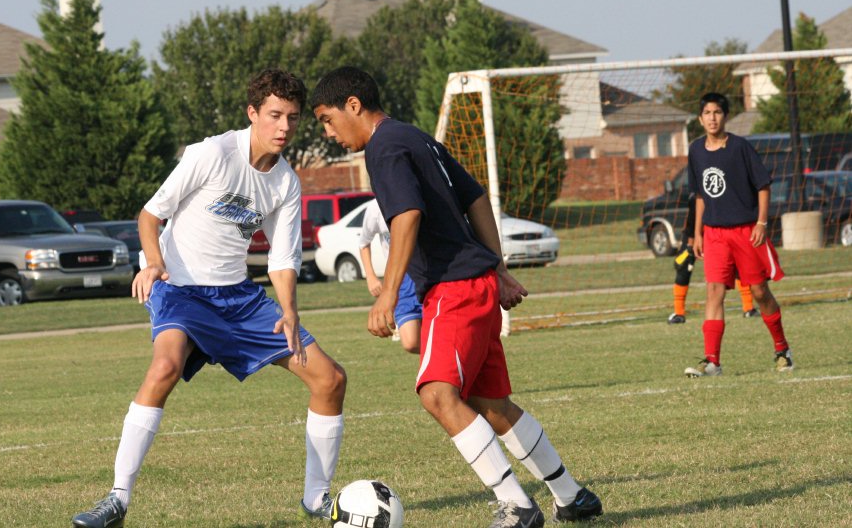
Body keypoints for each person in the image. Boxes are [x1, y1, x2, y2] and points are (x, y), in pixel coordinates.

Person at [311, 67, 602, 527]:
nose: (328, 132)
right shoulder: (416, 137)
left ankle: (519, 507)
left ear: (353, 105)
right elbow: (476, 197)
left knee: (436, 393)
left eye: (327, 119)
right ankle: (572, 495)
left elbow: (407, 216)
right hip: (477, 282)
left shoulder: (384, 147)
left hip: (455, 289)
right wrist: (498, 267)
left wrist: (387, 294)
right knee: (492, 404)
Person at [72, 69, 347, 528]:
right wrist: (154, 264)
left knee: (330, 379)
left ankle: (317, 499)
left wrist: (290, 312)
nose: (284, 127)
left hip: (239, 299)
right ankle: (116, 500)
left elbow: (282, 259)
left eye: (293, 118)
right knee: (164, 367)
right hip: (180, 290)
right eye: (275, 115)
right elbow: (149, 215)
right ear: (252, 113)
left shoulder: (285, 183)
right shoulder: (212, 153)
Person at [684, 92, 793, 378]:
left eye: (717, 112)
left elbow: (763, 186)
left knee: (759, 292)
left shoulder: (741, 148)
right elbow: (699, 195)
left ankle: (782, 349)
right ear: (700, 118)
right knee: (713, 292)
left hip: (746, 231)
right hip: (715, 233)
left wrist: (761, 223)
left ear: (725, 116)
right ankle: (712, 362)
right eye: (707, 113)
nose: (712, 118)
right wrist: (697, 234)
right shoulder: (695, 150)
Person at [668, 191, 758, 324]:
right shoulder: (697, 198)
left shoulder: (728, 194)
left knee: (738, 263)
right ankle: (679, 313)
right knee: (684, 266)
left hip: (720, 231)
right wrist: (690, 244)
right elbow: (691, 225)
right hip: (697, 232)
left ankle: (748, 308)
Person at [358, 198, 422, 353]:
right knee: (411, 343)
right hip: (401, 278)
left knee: (437, 334)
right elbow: (363, 244)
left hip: (427, 273)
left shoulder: (417, 199)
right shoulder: (375, 209)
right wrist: (371, 277)